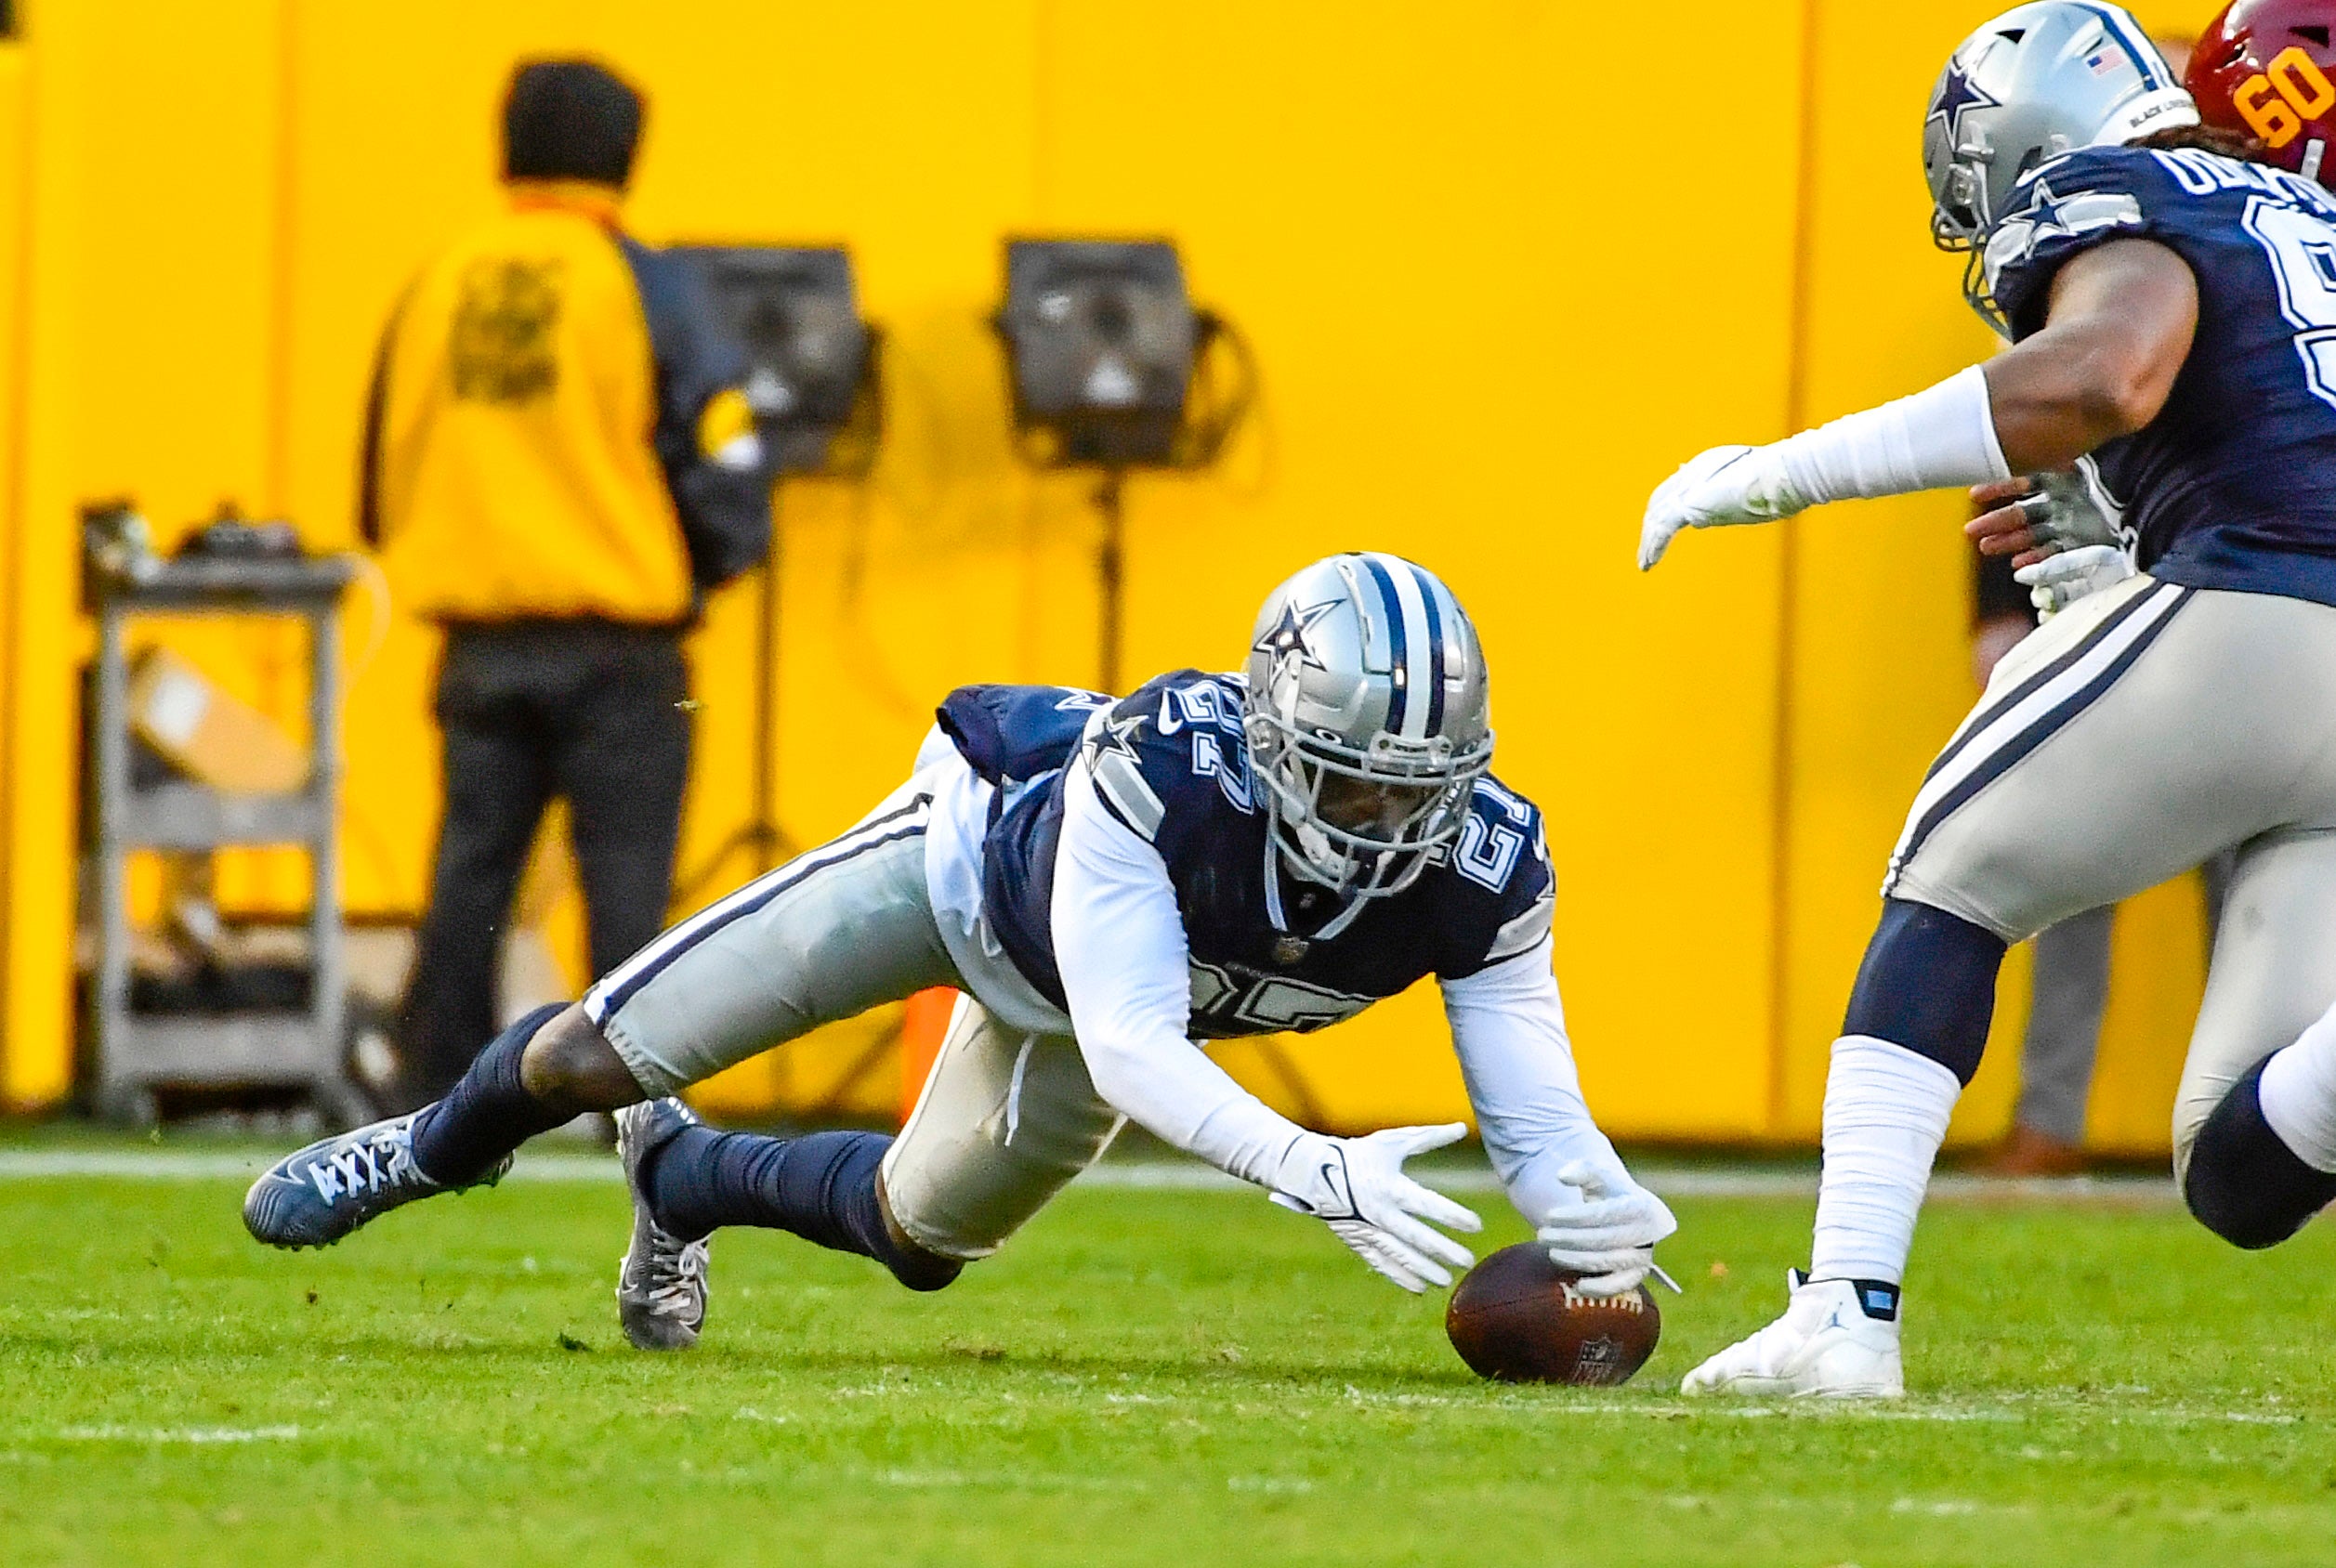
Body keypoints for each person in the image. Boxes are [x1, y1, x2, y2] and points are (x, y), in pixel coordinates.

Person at [241, 555, 1677, 1351]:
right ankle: (427, 1149)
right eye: (1356, 780)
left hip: (1106, 999)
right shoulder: (1159, 773)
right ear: (1270, 739)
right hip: (967, 877)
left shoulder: (1483, 866)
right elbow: (1131, 1046)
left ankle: (678, 1178)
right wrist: (1310, 1169)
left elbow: (1528, 1105)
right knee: (586, 1050)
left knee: (921, 1245)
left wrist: (1588, 1210)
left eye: (1420, 785)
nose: (1389, 819)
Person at [1637, 0, 2336, 1397]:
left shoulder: (2115, 190)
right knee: (2238, 1171)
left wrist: (1778, 471)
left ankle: (1843, 1314)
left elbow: (2101, 376)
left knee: (1945, 881)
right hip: (2280, 615)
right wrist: (2123, 542)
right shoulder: (2298, 221)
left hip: (2269, 606)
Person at [361, 58, 770, 1107]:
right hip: (621, 645)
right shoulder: (642, 283)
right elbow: (719, 453)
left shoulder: (437, 284)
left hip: (480, 638)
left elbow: (379, 475)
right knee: (625, 885)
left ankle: (428, 1103)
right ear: (626, 155)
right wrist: (717, 563)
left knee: (469, 882)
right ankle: (633, 1104)